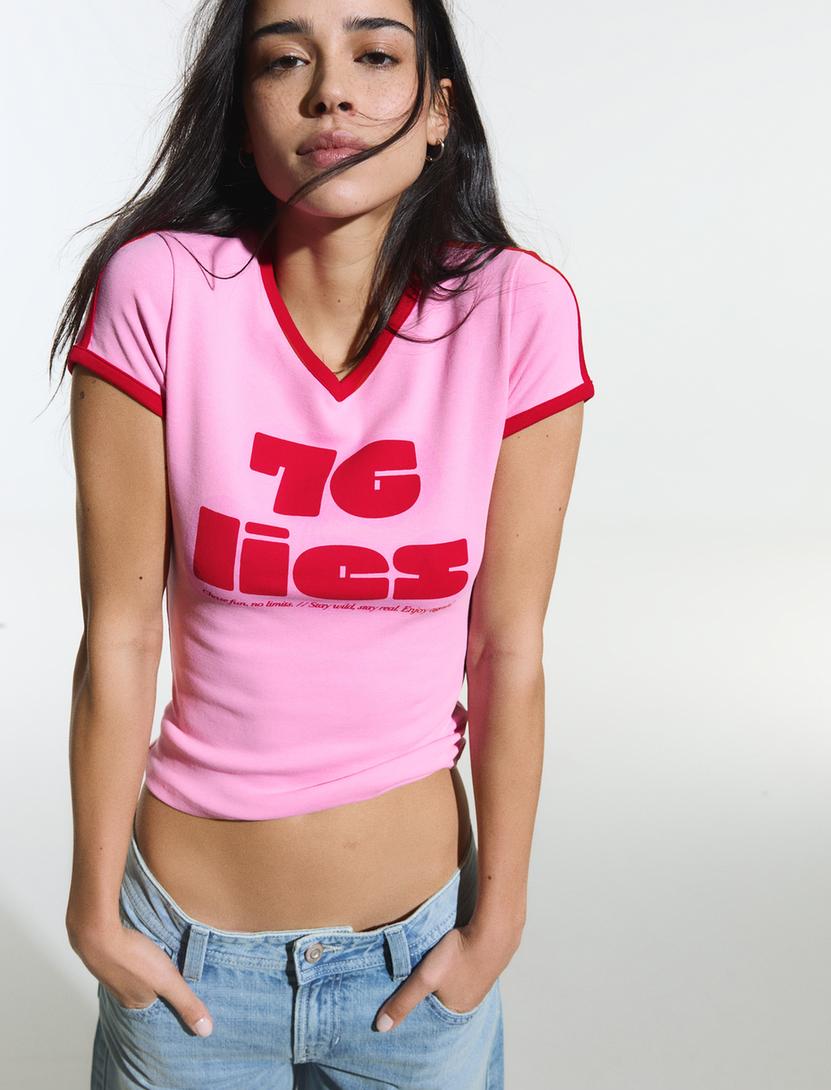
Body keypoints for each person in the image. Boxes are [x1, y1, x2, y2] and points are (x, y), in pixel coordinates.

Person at [54, 1, 596, 1087]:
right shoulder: (162, 289)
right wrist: (95, 914)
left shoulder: (516, 310)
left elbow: (508, 649)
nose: (331, 91)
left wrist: (497, 924)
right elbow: (119, 634)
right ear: (241, 113)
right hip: (186, 966)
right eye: (284, 60)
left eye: (376, 54)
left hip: (418, 969)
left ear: (438, 110)